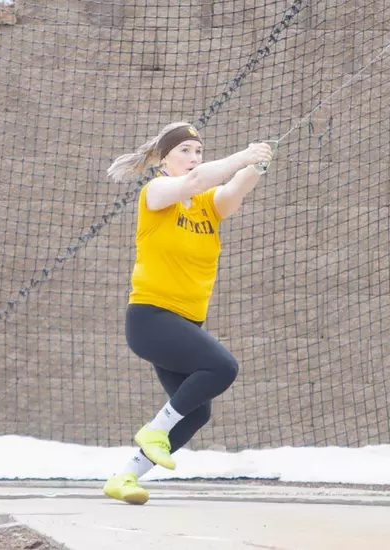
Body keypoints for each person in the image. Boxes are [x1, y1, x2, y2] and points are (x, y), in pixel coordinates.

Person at [101, 122, 273, 505]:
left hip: (184, 322)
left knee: (194, 414)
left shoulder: (207, 204)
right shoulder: (157, 191)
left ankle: (125, 477)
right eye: (185, 151)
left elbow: (231, 194)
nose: (194, 158)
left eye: (198, 151)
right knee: (222, 368)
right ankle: (153, 432)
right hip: (151, 318)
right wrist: (242, 156)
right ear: (165, 158)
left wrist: (254, 168)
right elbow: (192, 184)